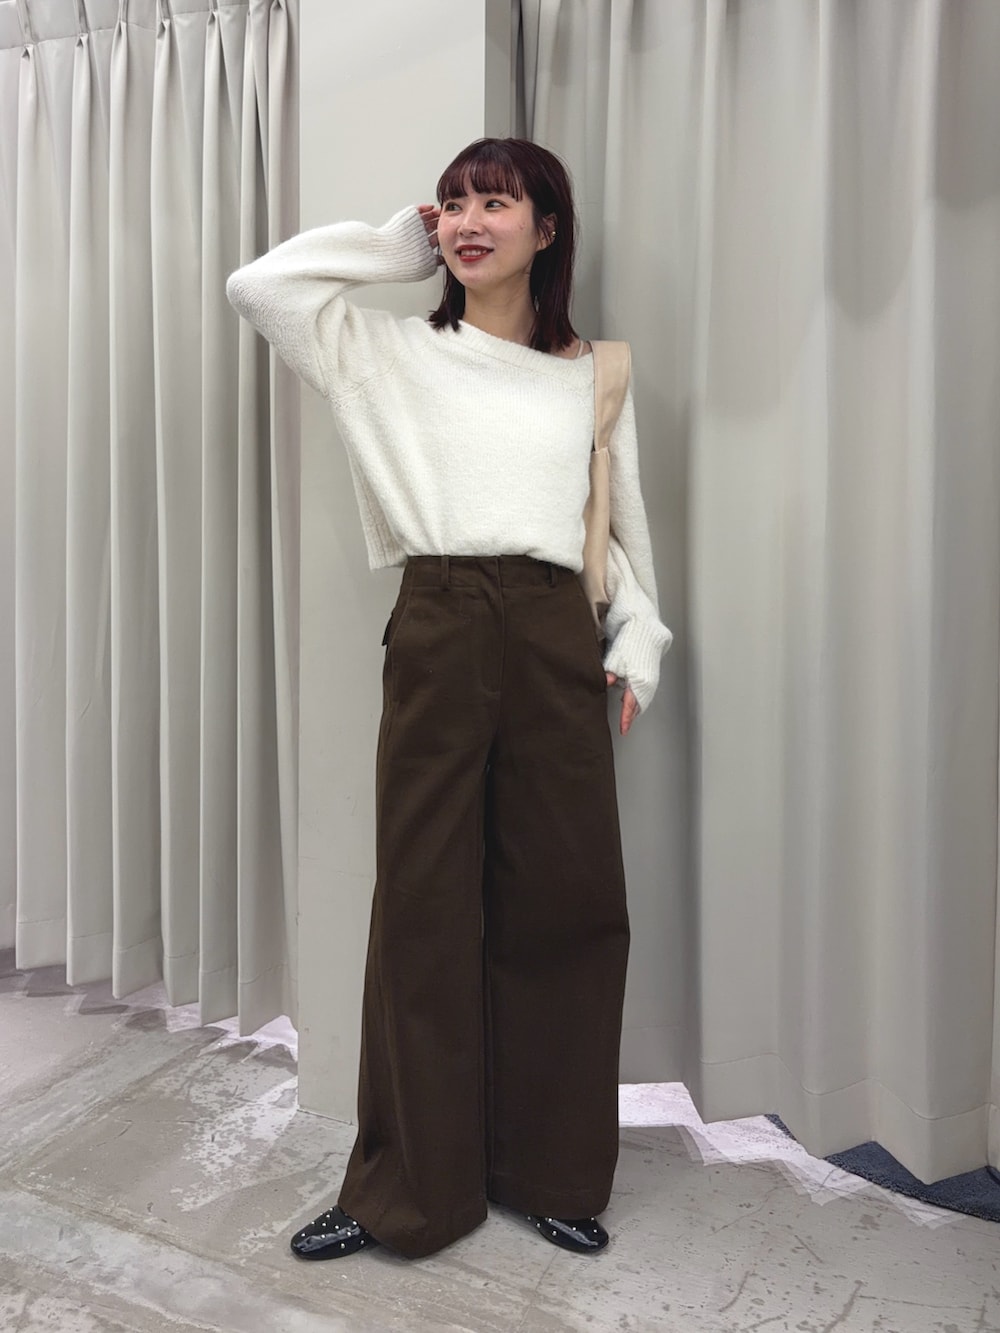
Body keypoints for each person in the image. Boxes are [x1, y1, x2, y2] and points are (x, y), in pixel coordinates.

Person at [226, 137, 672, 1262]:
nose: (470, 222)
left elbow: (617, 526)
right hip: (439, 621)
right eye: (455, 204)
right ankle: (404, 1190)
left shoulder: (594, 372)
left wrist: (639, 635)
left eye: (496, 203)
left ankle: (552, 1170)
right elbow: (260, 287)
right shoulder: (386, 354)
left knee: (568, 904)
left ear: (546, 229)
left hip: (554, 633)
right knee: (422, 908)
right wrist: (393, 248)